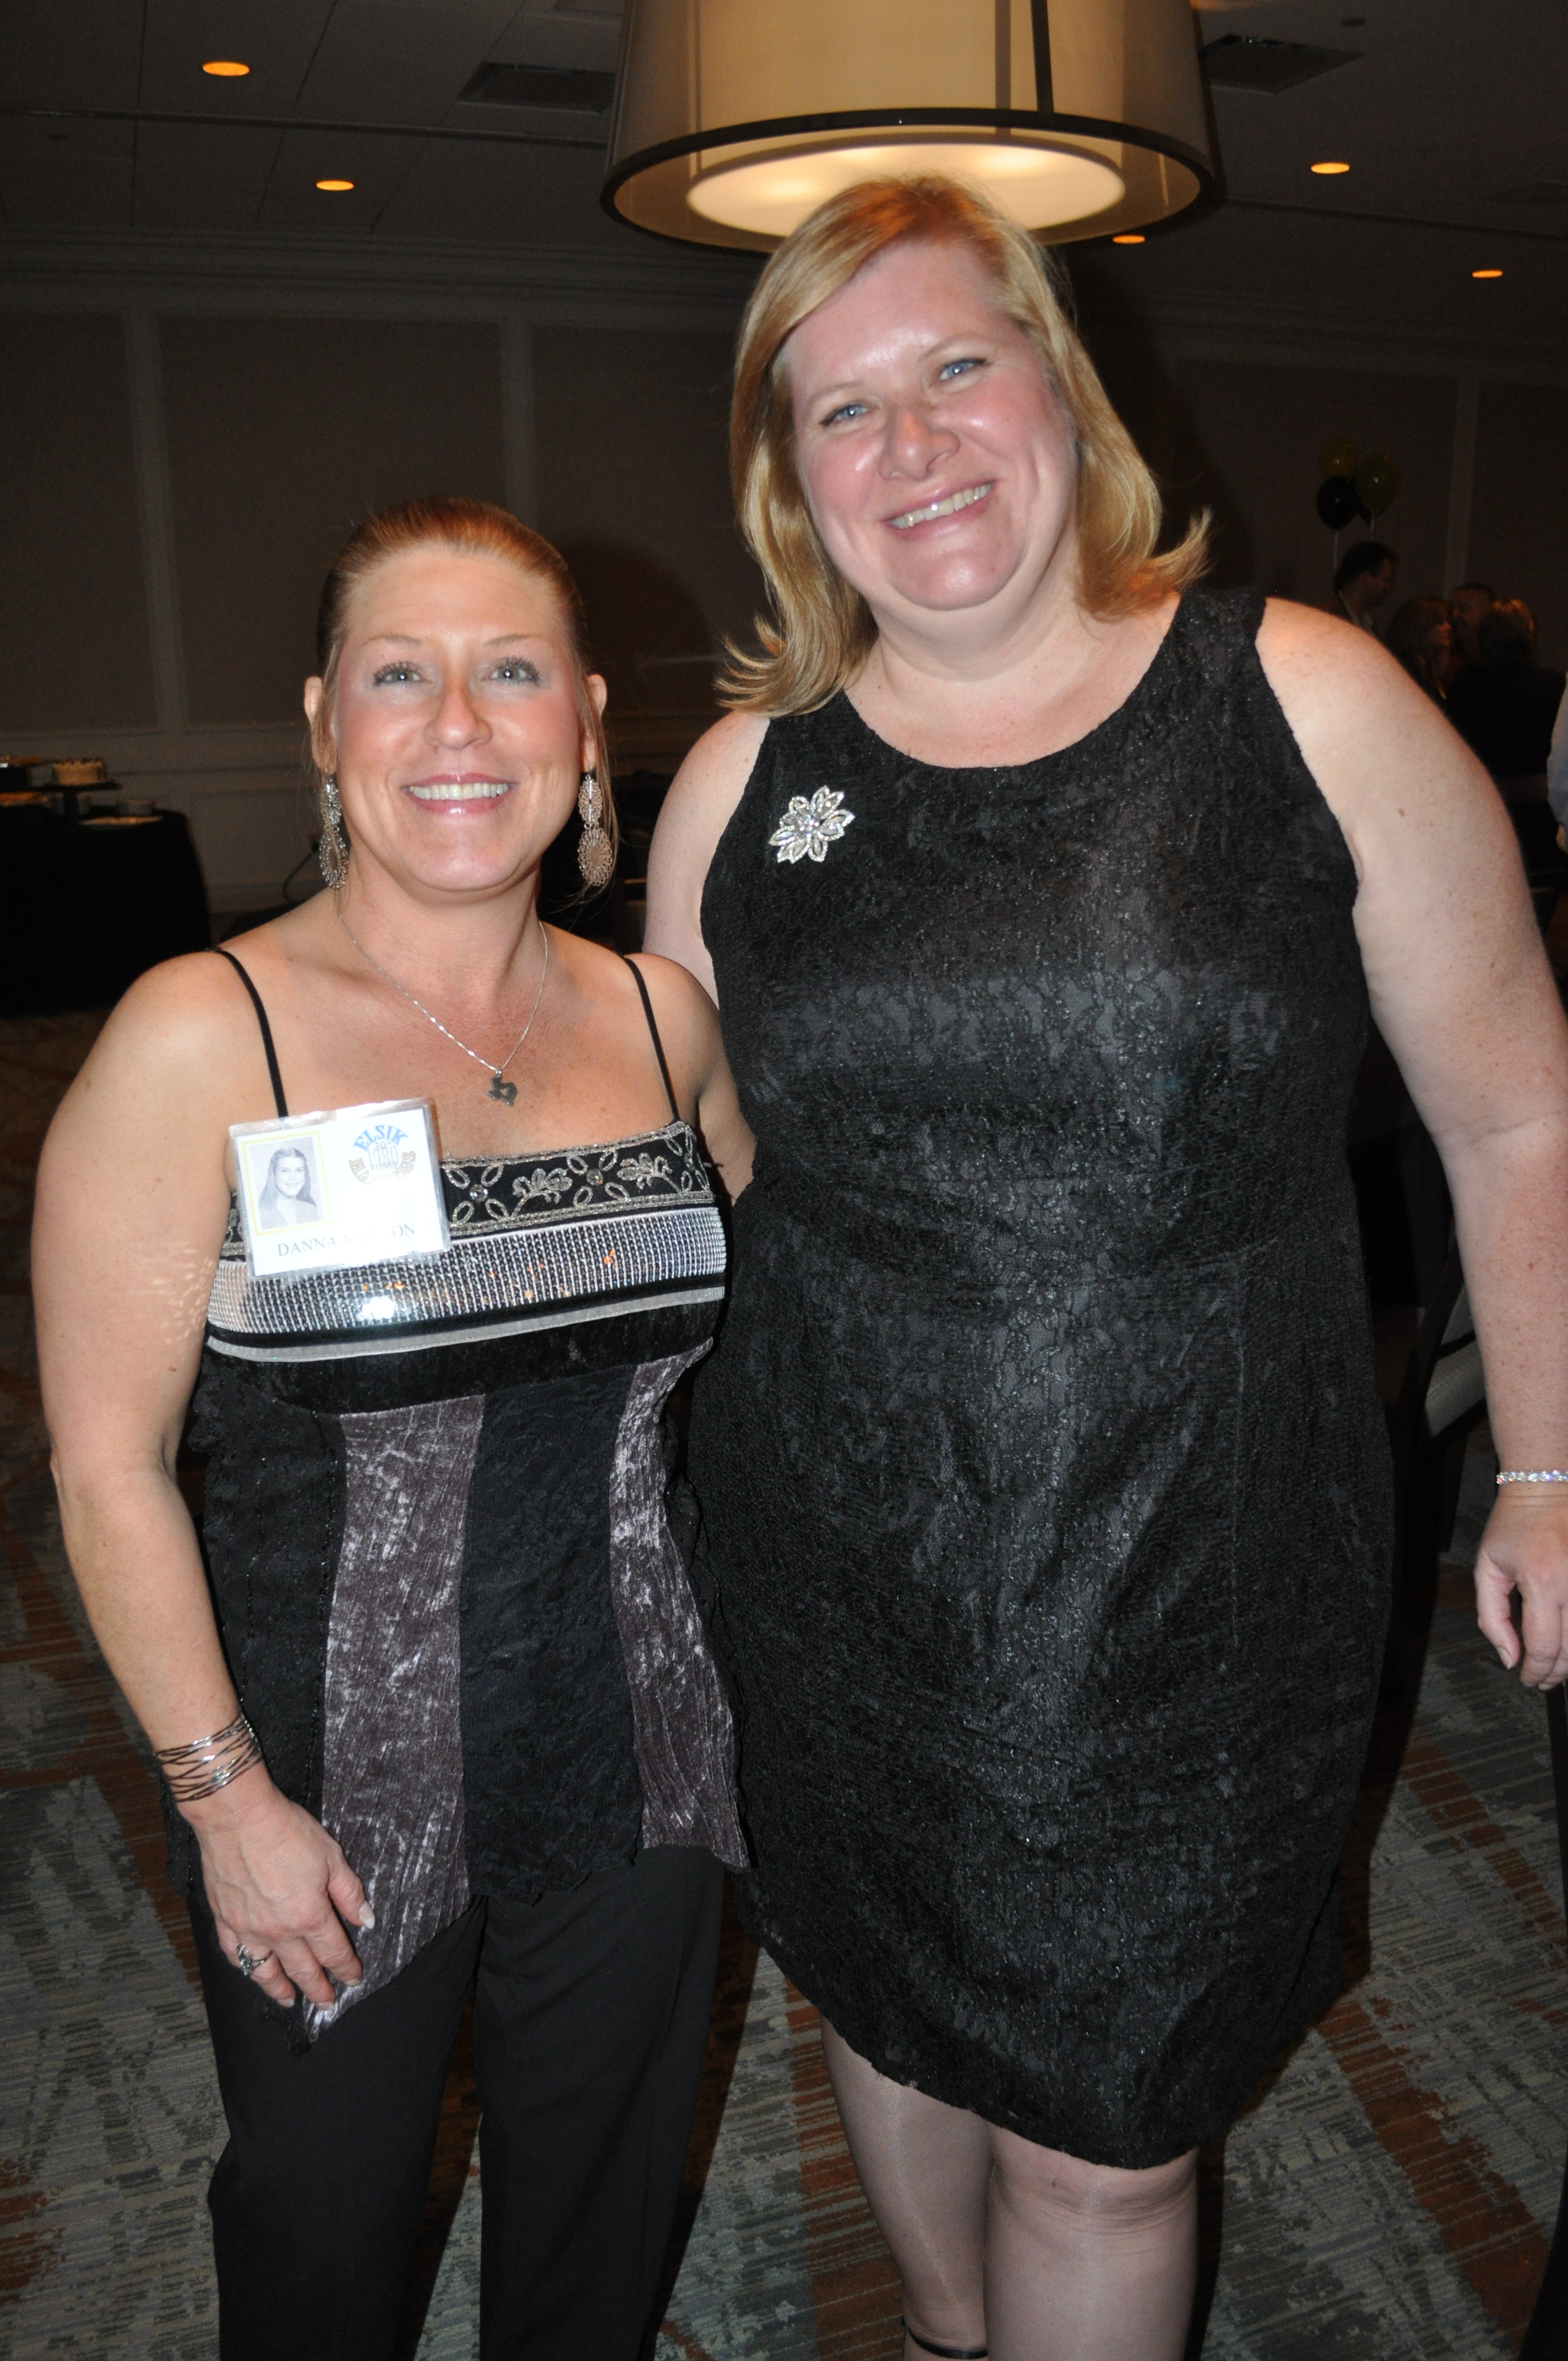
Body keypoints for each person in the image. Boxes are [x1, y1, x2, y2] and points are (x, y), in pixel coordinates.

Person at [644, 177, 1568, 2361]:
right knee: (877, 1987)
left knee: (1112, 2124)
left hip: (1191, 1564)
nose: (912, 442)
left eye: (956, 366)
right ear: (789, 481)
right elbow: (661, 1160)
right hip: (825, 1538)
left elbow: (1518, 1111)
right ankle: (945, 2329)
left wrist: (1543, 1467)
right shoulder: (742, 779)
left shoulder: (1300, 697)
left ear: (1061, 386)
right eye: (841, 408)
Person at [34, 497, 753, 2361]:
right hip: (326, 1791)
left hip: (644, 1755)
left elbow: (770, 1336)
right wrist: (223, 1800)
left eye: (511, 671)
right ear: (322, 722)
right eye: (399, 675)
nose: (458, 725)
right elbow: (107, 1469)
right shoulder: (204, 1031)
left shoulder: (662, 1018)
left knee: (597, 2236)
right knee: (320, 2246)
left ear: (585, 722)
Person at [1447, 597, 1568, 872]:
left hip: (1480, 810)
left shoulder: (1466, 682)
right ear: (1528, 633)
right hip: (1536, 818)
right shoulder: (1551, 684)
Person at [1384, 593, 1451, 701]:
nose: (1448, 627)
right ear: (1422, 627)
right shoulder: (1406, 670)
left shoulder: (1427, 665)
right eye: (1441, 622)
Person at [1334, 537, 1397, 632]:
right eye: (1386, 580)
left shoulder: (1366, 622)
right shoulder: (1332, 619)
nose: (1389, 587)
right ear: (1365, 579)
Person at [254, 1143, 319, 1227]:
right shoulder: (260, 1216)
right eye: (285, 1171)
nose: (293, 1177)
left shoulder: (310, 1211)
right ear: (274, 1174)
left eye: (298, 1171)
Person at [1447, 578, 1495, 672]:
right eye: (1452, 609)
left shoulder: (1497, 659)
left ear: (1486, 613)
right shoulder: (1447, 655)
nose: (1454, 615)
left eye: (1463, 609)